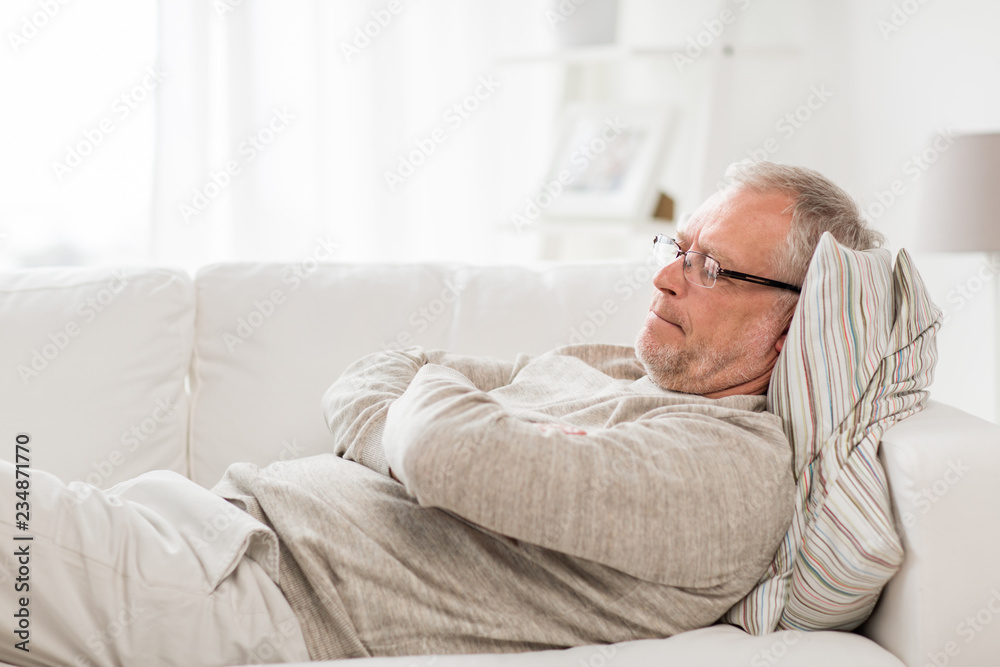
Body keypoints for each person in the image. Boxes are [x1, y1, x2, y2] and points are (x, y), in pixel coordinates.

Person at [1, 161, 884, 667]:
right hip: (206, 529)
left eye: (712, 268)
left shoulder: (726, 475)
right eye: (677, 247)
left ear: (793, 322)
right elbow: (375, 380)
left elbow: (445, 446)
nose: (664, 275)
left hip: (246, 597)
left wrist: (430, 435)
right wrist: (424, 436)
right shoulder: (614, 370)